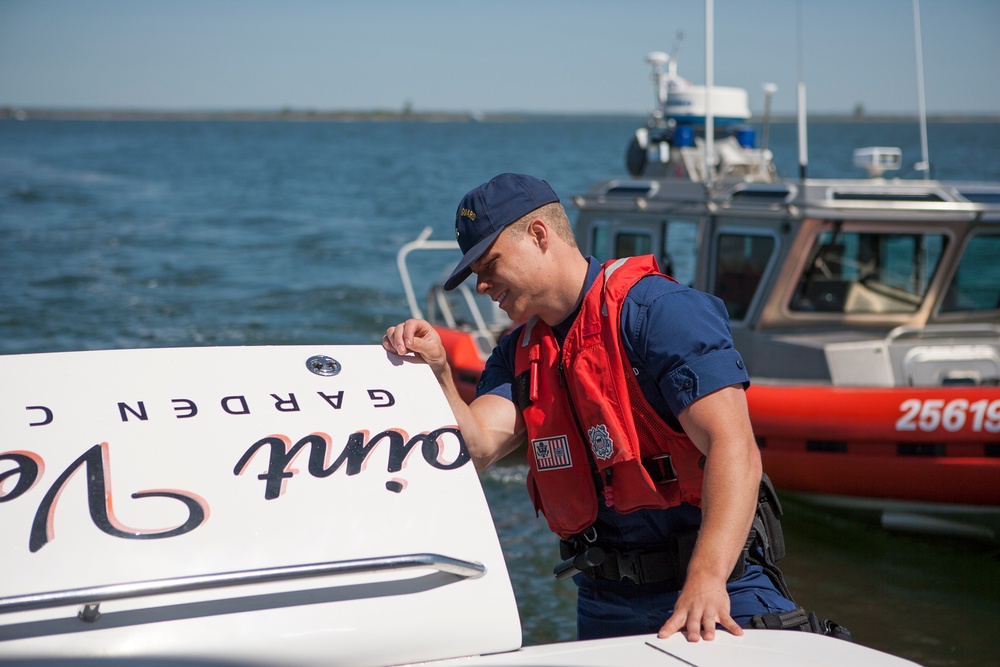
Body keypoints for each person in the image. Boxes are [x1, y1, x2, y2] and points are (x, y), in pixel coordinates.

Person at [383, 173, 804, 643]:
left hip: (719, 583)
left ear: (539, 235)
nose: (480, 285)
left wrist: (706, 580)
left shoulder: (659, 312)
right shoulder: (516, 352)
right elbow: (478, 447)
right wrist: (439, 370)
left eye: (489, 264)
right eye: (474, 272)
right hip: (606, 600)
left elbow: (735, 446)